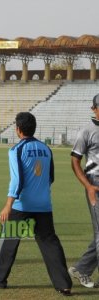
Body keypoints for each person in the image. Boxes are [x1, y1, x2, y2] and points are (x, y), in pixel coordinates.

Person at [0, 112, 72, 296]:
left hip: (22, 205)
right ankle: (64, 284)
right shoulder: (46, 149)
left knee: (9, 241)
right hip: (44, 205)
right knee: (50, 243)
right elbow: (51, 177)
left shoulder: (16, 150)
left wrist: (8, 204)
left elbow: (17, 181)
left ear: (18, 129)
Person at [68, 93, 99, 288]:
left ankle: (82, 269)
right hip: (95, 183)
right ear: (93, 108)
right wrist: (87, 186)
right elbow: (74, 161)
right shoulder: (86, 131)